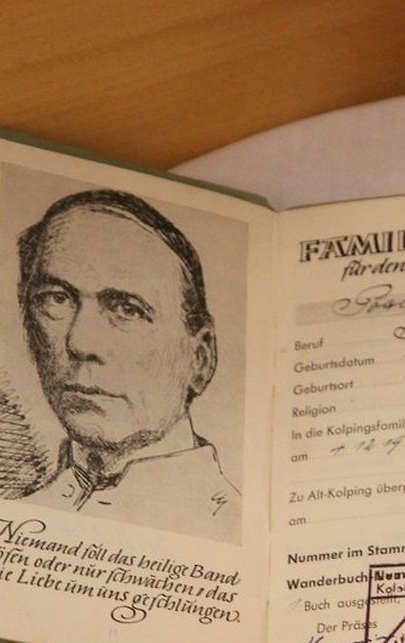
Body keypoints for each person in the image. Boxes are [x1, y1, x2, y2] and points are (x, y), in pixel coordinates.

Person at [15, 189, 240, 542]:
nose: (81, 344)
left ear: (200, 358)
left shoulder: (229, 525)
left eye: (127, 310)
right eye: (57, 299)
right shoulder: (18, 514)